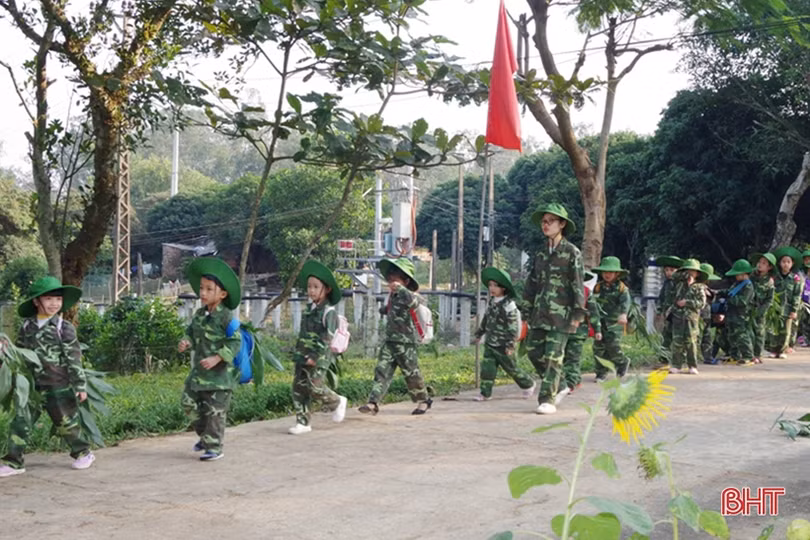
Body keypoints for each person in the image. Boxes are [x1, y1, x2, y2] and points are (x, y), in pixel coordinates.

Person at [0, 277, 95, 477]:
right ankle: (14, 462)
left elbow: (74, 359)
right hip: (32, 387)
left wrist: (80, 386)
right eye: (49, 299)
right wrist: (7, 352)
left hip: (58, 386)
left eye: (58, 299)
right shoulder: (27, 327)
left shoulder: (63, 328)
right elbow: (20, 354)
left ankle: (83, 453)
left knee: (66, 423)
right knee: (20, 422)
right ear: (37, 301)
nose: (54, 304)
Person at [522, 203, 586, 415]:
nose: (546, 225)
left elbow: (578, 285)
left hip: (562, 316)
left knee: (553, 357)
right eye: (543, 221)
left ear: (562, 224)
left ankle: (547, 399)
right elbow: (531, 285)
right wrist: (525, 312)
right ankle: (562, 385)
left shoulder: (572, 252)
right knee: (533, 351)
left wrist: (577, 314)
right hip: (540, 314)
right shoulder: (540, 254)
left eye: (550, 221)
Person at [178, 257, 242, 461]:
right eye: (201, 288)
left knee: (215, 413)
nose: (203, 293)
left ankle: (214, 448)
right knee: (188, 403)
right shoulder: (199, 314)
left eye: (209, 289)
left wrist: (217, 358)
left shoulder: (227, 317)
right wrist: (186, 342)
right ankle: (205, 437)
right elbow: (190, 332)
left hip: (220, 377)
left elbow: (236, 341)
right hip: (199, 374)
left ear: (222, 294)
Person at [359, 258, 432, 415]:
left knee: (411, 373)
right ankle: (373, 402)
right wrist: (384, 309)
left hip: (406, 343)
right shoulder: (392, 296)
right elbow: (390, 311)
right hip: (390, 341)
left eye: (396, 278)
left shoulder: (411, 295)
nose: (391, 280)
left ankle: (424, 400)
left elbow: (413, 303)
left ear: (406, 281)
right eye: (390, 277)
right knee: (381, 370)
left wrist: (401, 289)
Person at [288, 260, 348, 435]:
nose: (311, 291)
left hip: (320, 356)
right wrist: (298, 353)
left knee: (314, 387)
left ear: (326, 289)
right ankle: (303, 423)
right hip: (303, 354)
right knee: (298, 388)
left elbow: (327, 338)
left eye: (316, 287)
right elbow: (303, 334)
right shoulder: (309, 309)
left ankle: (337, 401)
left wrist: (314, 356)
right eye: (309, 287)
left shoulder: (329, 312)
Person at [473, 267, 535, 401]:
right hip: (490, 342)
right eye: (490, 285)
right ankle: (485, 393)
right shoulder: (492, 302)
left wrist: (510, 344)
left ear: (503, 288)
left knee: (511, 368)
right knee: (487, 369)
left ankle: (528, 384)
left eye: (495, 286)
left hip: (504, 344)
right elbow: (486, 320)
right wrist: (479, 334)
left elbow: (513, 327)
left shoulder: (509, 305)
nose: (492, 288)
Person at [591, 257, 632, 382]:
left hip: (615, 323)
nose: (607, 275)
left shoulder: (622, 288)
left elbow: (626, 303)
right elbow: (593, 303)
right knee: (598, 348)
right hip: (600, 323)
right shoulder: (598, 287)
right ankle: (601, 372)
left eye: (610, 272)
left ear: (617, 274)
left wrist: (623, 314)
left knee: (613, 346)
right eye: (605, 272)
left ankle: (622, 362)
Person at [561, 271, 600, 395]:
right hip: (561, 331)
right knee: (563, 357)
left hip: (578, 333)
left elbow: (593, 312)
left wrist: (597, 330)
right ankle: (576, 379)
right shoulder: (560, 291)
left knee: (572, 358)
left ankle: (570, 383)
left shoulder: (586, 292)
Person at [669, 259, 706, 375]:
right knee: (677, 342)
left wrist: (687, 302)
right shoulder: (679, 284)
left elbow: (701, 303)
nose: (690, 273)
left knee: (691, 343)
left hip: (691, 318)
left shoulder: (699, 287)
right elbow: (673, 277)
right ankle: (676, 365)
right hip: (678, 316)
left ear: (697, 273)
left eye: (692, 271)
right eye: (687, 270)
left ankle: (692, 365)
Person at [766, 247, 803, 359]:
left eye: (788, 262)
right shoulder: (775, 278)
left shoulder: (795, 279)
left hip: (788, 308)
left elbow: (797, 295)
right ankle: (773, 350)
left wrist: (794, 310)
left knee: (786, 331)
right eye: (783, 261)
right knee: (774, 330)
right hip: (775, 308)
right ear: (779, 263)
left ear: (792, 264)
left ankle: (783, 350)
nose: (786, 264)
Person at [722, 259, 755, 366]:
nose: (735, 276)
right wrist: (719, 293)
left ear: (744, 274)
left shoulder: (748, 286)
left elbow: (743, 301)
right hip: (732, 314)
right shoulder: (737, 284)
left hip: (741, 315)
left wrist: (729, 300)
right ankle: (734, 355)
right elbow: (729, 292)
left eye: (737, 274)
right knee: (732, 335)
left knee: (742, 336)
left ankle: (748, 356)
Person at [655, 256, 683, 367]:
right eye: (666, 270)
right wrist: (659, 311)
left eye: (672, 270)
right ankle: (663, 359)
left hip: (679, 314)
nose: (669, 273)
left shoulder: (681, 284)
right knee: (666, 336)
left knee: (679, 338)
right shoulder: (666, 283)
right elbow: (661, 298)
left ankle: (680, 360)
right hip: (667, 315)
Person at [749, 253, 776, 363]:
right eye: (759, 262)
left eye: (764, 263)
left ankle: (758, 354)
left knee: (759, 332)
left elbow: (770, 299)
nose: (760, 265)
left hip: (761, 309)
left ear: (769, 267)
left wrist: (763, 310)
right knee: (750, 331)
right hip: (750, 307)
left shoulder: (769, 281)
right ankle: (750, 353)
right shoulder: (752, 276)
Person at [697, 263, 721, 364]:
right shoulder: (697, 287)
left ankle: (708, 357)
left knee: (707, 337)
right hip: (699, 316)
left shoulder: (706, 288)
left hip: (706, 316)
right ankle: (693, 357)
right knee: (698, 337)